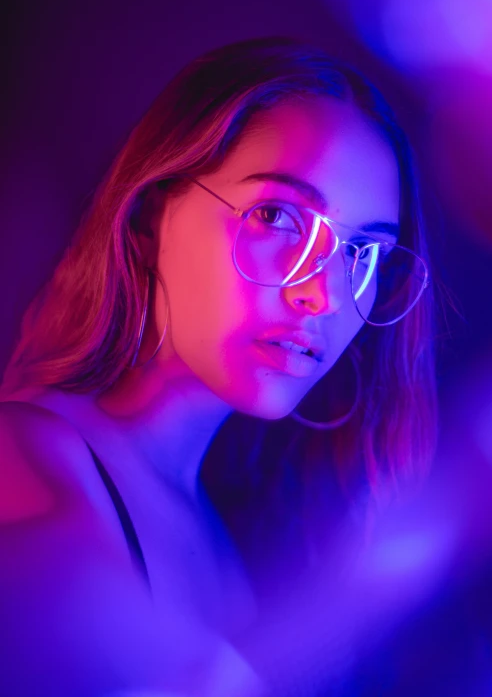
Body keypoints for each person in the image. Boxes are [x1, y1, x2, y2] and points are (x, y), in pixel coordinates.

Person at [0, 36, 437, 695]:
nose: (320, 291)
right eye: (276, 216)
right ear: (149, 215)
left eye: (362, 253)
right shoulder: (27, 464)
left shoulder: (228, 549)